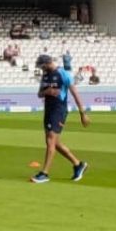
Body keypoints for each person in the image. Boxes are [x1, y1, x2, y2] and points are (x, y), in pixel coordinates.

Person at [33, 54, 89, 184]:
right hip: (49, 110)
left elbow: (75, 93)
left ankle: (44, 173)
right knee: (55, 143)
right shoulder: (46, 75)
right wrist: (47, 92)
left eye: (42, 66)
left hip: (59, 110)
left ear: (47, 63)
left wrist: (82, 113)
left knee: (50, 141)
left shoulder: (63, 74)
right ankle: (78, 164)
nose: (42, 69)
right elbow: (39, 93)